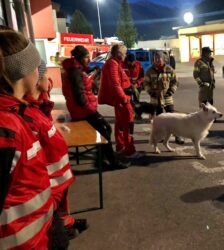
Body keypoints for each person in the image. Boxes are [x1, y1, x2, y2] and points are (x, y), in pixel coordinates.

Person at [0, 30, 54, 249]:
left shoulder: (14, 115)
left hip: (34, 236)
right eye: (36, 66)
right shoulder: (6, 128)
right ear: (24, 71)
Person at [25, 60, 88, 238]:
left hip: (57, 177)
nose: (50, 80)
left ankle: (64, 221)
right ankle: (57, 228)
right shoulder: (28, 111)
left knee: (60, 203)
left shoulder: (40, 102)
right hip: (48, 180)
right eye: (45, 75)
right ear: (35, 79)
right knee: (52, 206)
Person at [62, 45, 128, 169]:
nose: (89, 60)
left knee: (106, 129)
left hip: (82, 110)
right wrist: (91, 109)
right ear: (80, 58)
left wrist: (94, 72)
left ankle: (102, 158)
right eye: (87, 57)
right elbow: (79, 96)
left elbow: (82, 82)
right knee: (105, 129)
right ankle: (111, 162)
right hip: (83, 111)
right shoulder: (75, 72)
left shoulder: (75, 69)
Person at [99, 44, 144, 158]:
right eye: (124, 53)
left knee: (120, 124)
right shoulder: (113, 64)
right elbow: (115, 84)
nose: (125, 55)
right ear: (119, 53)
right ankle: (129, 150)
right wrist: (124, 99)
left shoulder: (113, 63)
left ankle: (121, 146)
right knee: (128, 123)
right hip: (121, 100)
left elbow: (118, 82)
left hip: (119, 99)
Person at [143, 51, 184, 144]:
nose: (156, 60)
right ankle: (160, 136)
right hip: (155, 99)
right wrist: (150, 92)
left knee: (173, 118)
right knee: (159, 120)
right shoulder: (149, 70)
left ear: (163, 59)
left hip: (167, 98)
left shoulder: (169, 69)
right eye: (155, 58)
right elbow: (145, 83)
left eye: (158, 58)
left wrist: (171, 91)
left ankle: (178, 136)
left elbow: (175, 82)